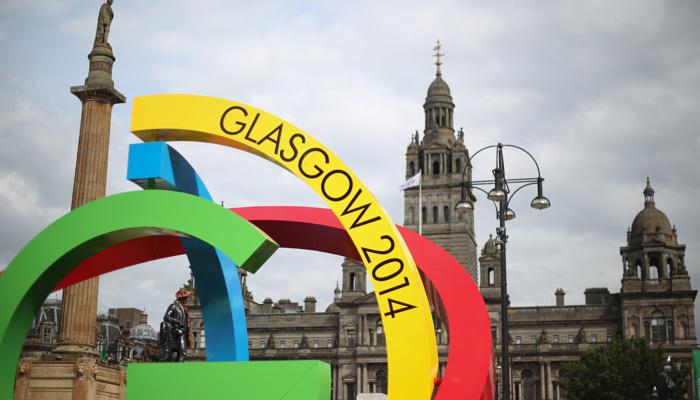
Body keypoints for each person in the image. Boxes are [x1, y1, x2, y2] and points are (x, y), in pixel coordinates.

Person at [158, 288, 191, 362]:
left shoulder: (184, 308)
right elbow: (166, 317)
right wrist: (177, 321)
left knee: (183, 353)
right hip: (176, 332)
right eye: (186, 298)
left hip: (183, 333)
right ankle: (177, 370)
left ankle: (178, 370)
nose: (187, 299)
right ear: (182, 298)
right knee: (182, 352)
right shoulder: (173, 306)